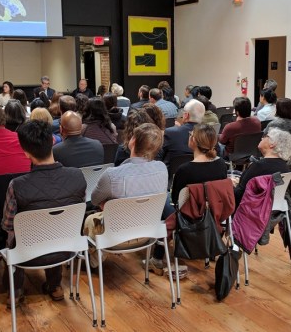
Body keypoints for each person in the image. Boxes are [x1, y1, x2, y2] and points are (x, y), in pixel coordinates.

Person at [1, 120, 87, 305]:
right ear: (53, 141)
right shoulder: (78, 176)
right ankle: (55, 286)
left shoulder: (16, 185)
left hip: (26, 255)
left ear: (25, 152)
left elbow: (8, 224)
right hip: (67, 250)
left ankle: (15, 292)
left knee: (14, 237)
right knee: (56, 227)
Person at [84, 123, 169, 268]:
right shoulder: (162, 169)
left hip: (114, 236)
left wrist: (110, 205)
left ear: (133, 141)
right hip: (148, 234)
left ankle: (92, 261)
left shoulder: (113, 174)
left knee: (90, 218)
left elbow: (95, 199)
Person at [148, 123, 228, 275]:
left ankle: (157, 257)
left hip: (188, 218)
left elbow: (177, 200)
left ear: (194, 141)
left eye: (191, 134)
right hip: (213, 214)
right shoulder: (221, 164)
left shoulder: (185, 170)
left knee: (164, 199)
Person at [232, 127, 291, 207]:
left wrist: (231, 187)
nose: (262, 138)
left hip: (251, 209)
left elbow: (240, 193)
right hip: (272, 208)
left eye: (266, 136)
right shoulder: (285, 167)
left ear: (272, 144)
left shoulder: (259, 166)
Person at [159, 99, 205, 165]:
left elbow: (160, 156)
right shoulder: (209, 134)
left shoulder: (170, 132)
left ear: (186, 115)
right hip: (202, 172)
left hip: (174, 173)